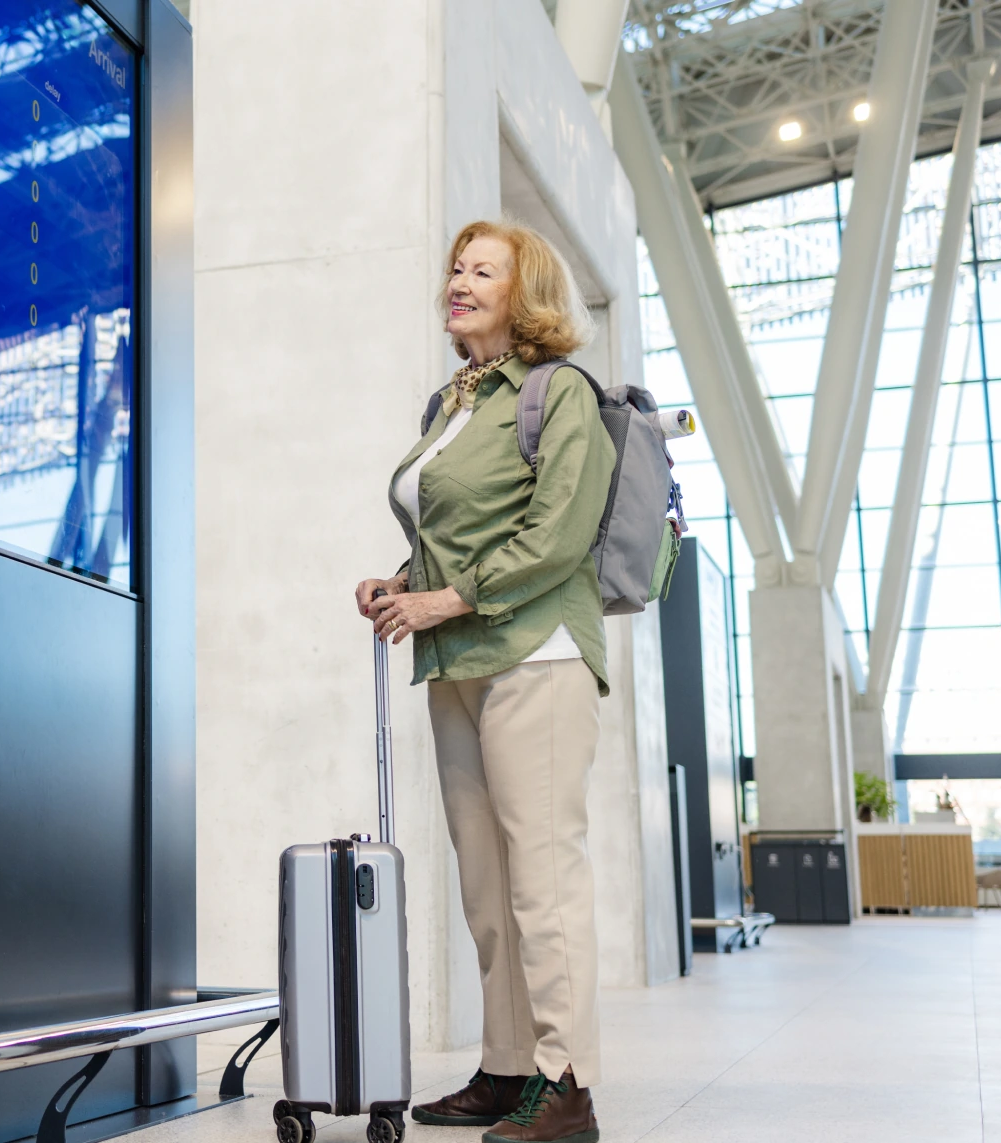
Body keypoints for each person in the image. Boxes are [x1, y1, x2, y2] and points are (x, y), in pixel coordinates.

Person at [356, 220, 614, 1143]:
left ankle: (567, 1082)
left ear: (524, 293)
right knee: (485, 883)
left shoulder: (558, 393)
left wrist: (447, 598)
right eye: (456, 268)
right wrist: (402, 583)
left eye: (483, 271)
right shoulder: (451, 403)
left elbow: (558, 534)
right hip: (459, 656)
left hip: (535, 651)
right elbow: (450, 534)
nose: (459, 281)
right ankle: (511, 1069)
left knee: (543, 876)